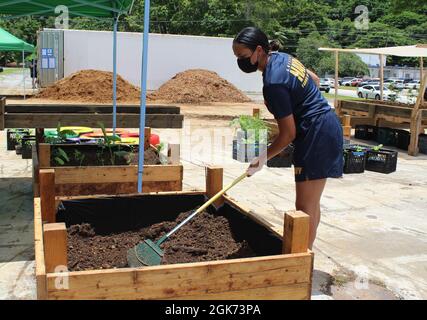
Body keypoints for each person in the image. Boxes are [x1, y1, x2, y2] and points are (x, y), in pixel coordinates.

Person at [233, 27, 343, 249]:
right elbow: (315, 79)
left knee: (304, 206)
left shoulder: (273, 83)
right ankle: (306, 253)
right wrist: (301, 102)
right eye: (237, 57)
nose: (241, 62)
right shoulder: (282, 57)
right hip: (324, 124)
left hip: (316, 133)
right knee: (311, 203)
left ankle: (301, 259)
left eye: (243, 57)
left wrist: (261, 158)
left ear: (259, 50)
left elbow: (288, 134)